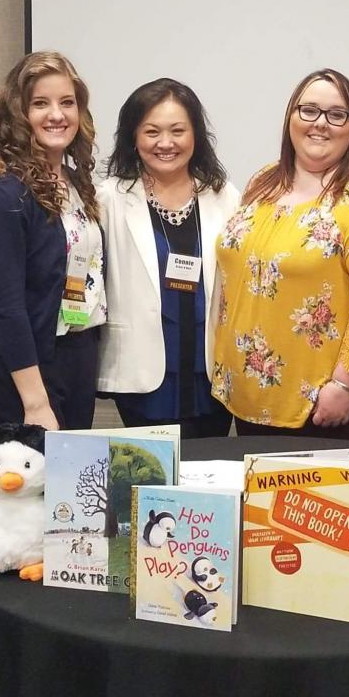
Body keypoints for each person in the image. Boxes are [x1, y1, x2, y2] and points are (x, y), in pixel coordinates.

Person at [212, 68, 349, 443]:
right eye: (309, 111)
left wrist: (344, 385)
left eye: (336, 115)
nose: (320, 123)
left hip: (330, 408)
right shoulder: (263, 182)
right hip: (253, 397)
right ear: (291, 117)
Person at [0, 52, 105, 432]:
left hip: (75, 357)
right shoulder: (2, 194)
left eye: (67, 103)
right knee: (26, 491)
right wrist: (36, 402)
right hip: (26, 376)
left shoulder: (77, 185)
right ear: (17, 113)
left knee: (66, 491)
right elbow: (7, 306)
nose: (56, 115)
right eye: (40, 103)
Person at [97, 79, 240, 439]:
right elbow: (75, 262)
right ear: (133, 136)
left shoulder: (223, 196)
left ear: (196, 135)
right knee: (151, 476)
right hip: (141, 367)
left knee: (209, 469)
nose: (166, 143)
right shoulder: (109, 198)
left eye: (178, 130)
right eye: (152, 132)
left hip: (210, 366)